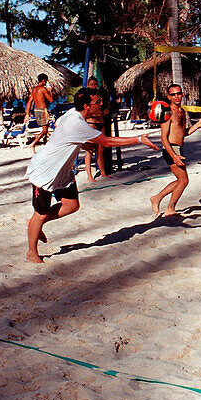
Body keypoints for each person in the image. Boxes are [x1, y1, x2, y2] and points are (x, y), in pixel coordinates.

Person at [25, 88, 161, 263]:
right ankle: (32, 252)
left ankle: (34, 224)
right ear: (87, 106)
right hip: (44, 172)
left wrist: (81, 144)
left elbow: (58, 126)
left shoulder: (72, 113)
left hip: (62, 172)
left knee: (72, 206)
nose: (101, 104)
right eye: (98, 102)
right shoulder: (78, 123)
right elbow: (106, 141)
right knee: (41, 213)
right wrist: (139, 139)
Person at [149, 83, 201, 216]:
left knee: (181, 180)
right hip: (171, 149)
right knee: (184, 181)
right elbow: (163, 138)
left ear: (182, 94)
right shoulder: (167, 112)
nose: (176, 96)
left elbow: (183, 133)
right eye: (173, 94)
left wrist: (197, 125)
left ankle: (157, 198)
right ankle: (170, 208)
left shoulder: (182, 111)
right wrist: (174, 156)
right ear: (168, 96)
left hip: (179, 148)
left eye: (178, 93)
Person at [82, 77, 109, 181]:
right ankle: (89, 175)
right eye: (91, 84)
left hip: (100, 123)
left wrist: (105, 111)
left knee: (100, 150)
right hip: (91, 123)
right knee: (89, 150)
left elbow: (104, 108)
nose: (93, 86)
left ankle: (103, 172)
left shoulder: (100, 96)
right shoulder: (86, 98)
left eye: (95, 84)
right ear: (88, 85)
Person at [24, 73, 56, 148]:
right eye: (46, 81)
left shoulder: (34, 90)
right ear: (43, 80)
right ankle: (33, 143)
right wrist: (50, 91)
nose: (46, 83)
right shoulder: (43, 89)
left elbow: (29, 103)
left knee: (46, 126)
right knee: (44, 130)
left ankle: (45, 141)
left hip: (36, 110)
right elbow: (51, 100)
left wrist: (27, 114)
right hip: (42, 110)